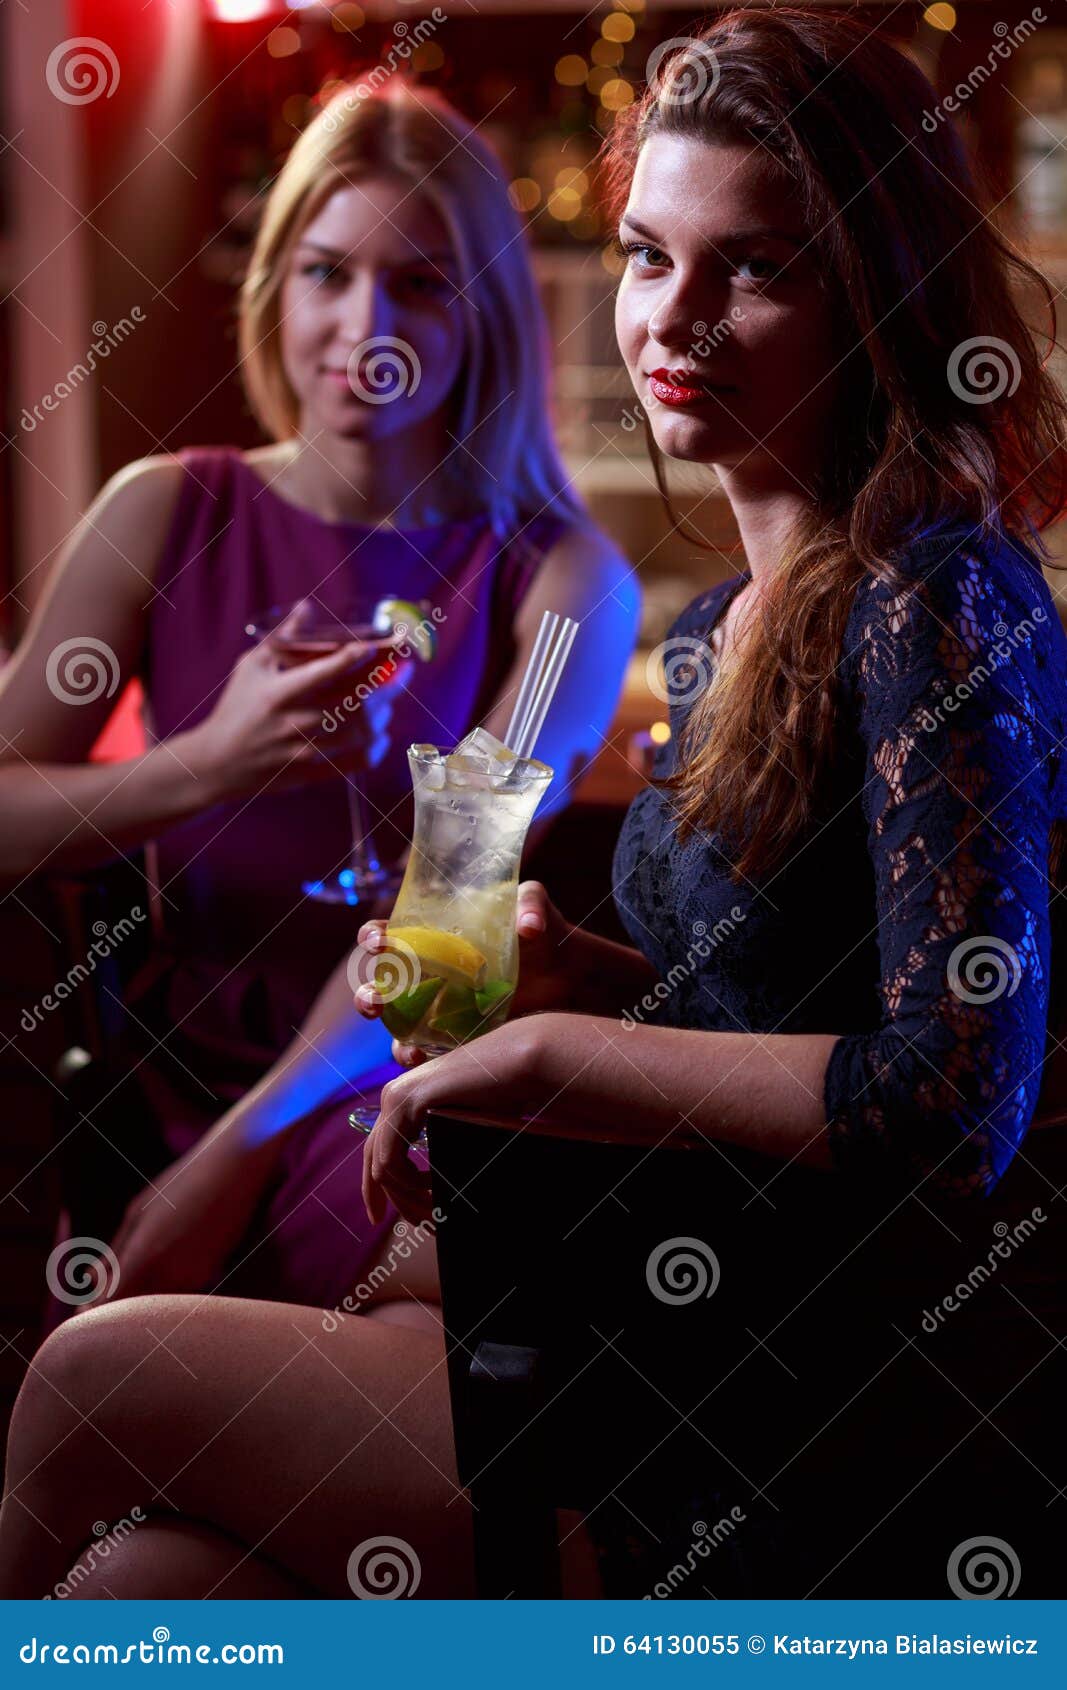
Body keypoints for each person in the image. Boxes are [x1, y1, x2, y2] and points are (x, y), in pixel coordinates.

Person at [4, 7, 1067, 1600]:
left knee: (86, 1380)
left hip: (782, 1396)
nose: (674, 318)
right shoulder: (714, 632)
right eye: (646, 256)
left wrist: (554, 1047)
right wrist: (584, 978)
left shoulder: (934, 595)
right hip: (630, 1290)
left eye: (754, 267)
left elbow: (956, 1092)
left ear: (875, 294)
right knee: (133, 1592)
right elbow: (760, 1008)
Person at [0, 80, 637, 1312]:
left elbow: (449, 925)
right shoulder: (162, 509)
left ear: (485, 313)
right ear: (274, 287)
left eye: (419, 283)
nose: (363, 324)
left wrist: (239, 1156)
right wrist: (211, 761)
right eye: (326, 273)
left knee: (466, 1306)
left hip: (388, 1097)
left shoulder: (566, 580)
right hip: (165, 1090)